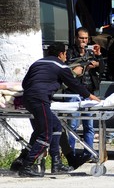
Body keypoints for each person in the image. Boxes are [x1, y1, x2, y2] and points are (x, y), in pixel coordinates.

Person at [18, 43, 100, 177]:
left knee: (56, 126)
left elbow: (24, 83)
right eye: (65, 54)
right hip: (40, 99)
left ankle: (57, 163)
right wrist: (91, 97)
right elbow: (74, 85)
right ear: (61, 54)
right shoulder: (61, 66)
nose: (66, 56)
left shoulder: (37, 63)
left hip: (28, 98)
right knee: (45, 134)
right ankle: (26, 166)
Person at [66, 27, 104, 161]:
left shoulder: (91, 52)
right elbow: (68, 66)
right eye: (81, 38)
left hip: (89, 92)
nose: (84, 41)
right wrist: (84, 62)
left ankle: (89, 153)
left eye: (86, 38)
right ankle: (69, 153)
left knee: (89, 125)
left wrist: (98, 58)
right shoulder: (70, 52)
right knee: (73, 125)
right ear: (76, 38)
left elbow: (103, 67)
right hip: (74, 93)